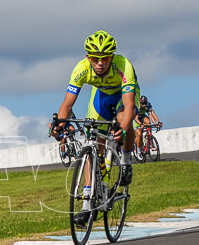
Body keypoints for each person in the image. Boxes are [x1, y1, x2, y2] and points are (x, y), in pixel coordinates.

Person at [52, 30, 140, 228]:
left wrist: (123, 129)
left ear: (112, 57)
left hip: (122, 98)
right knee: (94, 146)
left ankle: (125, 161)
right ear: (87, 58)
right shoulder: (81, 69)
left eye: (105, 58)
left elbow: (129, 105)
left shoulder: (123, 66)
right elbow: (67, 105)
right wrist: (60, 124)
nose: (100, 63)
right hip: (100, 97)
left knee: (122, 119)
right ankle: (86, 205)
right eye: (95, 58)